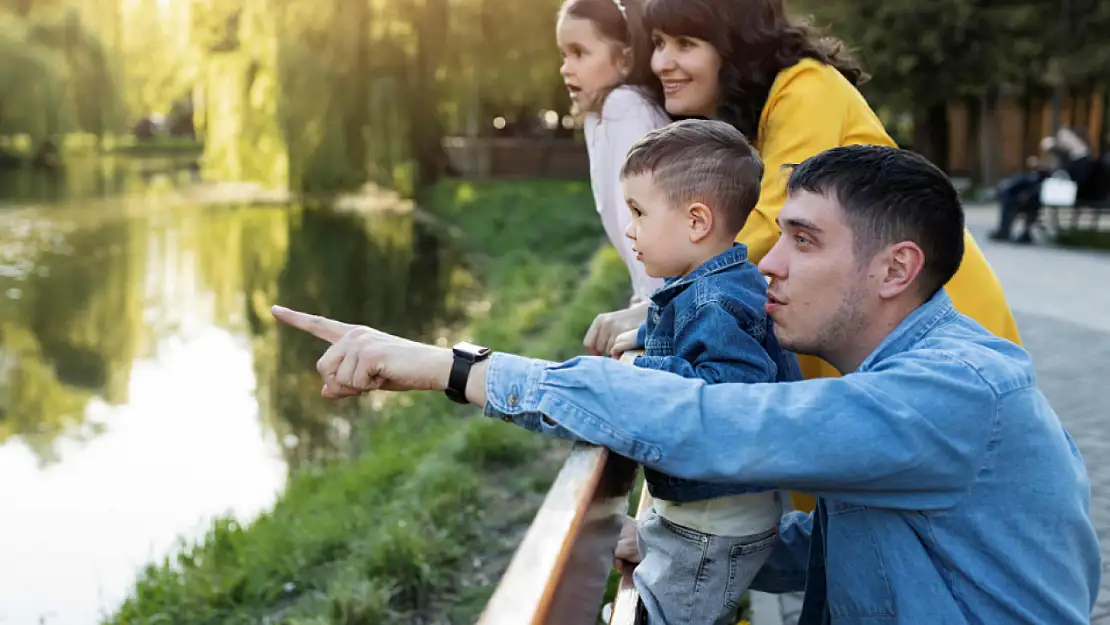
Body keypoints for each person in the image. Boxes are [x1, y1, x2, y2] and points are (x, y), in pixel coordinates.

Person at [272, 145, 1100, 624]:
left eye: (803, 242)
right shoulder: (907, 387)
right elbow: (848, 546)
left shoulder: (952, 392)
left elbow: (715, 422)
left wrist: (456, 367)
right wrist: (691, 542)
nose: (767, 264)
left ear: (896, 268)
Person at [581, 0, 1024, 515]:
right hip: (862, 315)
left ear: (735, 45)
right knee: (856, 516)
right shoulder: (755, 115)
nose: (661, 63)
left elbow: (769, 221)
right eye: (657, 43)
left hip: (918, 304)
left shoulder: (805, 89)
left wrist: (660, 306)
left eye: (685, 44)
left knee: (927, 509)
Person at [601, 119, 802, 624]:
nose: (630, 229)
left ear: (696, 222)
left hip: (715, 524)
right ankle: (654, 541)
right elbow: (694, 343)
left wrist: (643, 367)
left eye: (639, 212)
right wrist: (648, 337)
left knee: (669, 614)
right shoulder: (712, 285)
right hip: (707, 513)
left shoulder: (716, 300)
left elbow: (730, 397)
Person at [557, 0, 669, 306]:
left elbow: (643, 218)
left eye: (579, 52)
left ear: (625, 58)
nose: (566, 68)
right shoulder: (598, 115)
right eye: (564, 54)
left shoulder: (626, 107)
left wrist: (652, 304)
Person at [988, 125, 1101, 244]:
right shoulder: (1070, 155)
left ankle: (1015, 230)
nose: (1062, 140)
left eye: (1066, 137)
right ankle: (1009, 225)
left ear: (1076, 139)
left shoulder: (1084, 158)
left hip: (1066, 192)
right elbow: (1059, 173)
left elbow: (1072, 180)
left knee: (1027, 195)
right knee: (1016, 188)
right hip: (1055, 188)